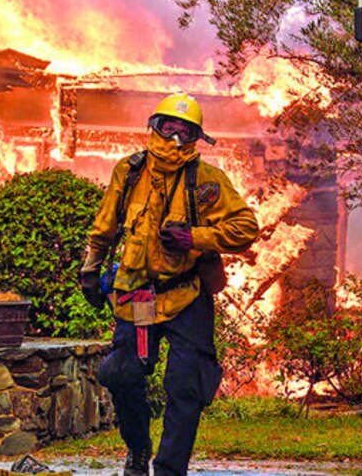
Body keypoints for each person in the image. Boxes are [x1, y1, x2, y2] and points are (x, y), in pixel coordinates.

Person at [80, 93, 259, 476]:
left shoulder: (207, 180)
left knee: (186, 386)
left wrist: (194, 238)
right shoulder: (129, 172)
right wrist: (90, 272)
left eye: (186, 130)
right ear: (153, 127)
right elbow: (105, 227)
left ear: (197, 136)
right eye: (168, 127)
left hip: (186, 293)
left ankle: (169, 469)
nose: (175, 137)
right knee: (122, 373)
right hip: (138, 294)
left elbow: (246, 228)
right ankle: (138, 449)